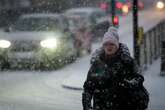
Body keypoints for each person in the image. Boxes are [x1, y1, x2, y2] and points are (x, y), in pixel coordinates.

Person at [82, 27, 149, 110]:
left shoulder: (127, 62)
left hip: (124, 105)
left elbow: (139, 78)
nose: (109, 47)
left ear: (117, 45)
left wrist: (129, 84)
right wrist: (86, 105)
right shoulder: (97, 64)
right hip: (101, 106)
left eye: (112, 44)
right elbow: (89, 86)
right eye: (106, 44)